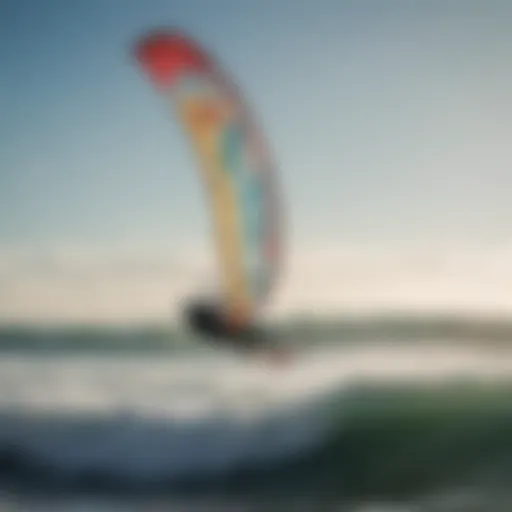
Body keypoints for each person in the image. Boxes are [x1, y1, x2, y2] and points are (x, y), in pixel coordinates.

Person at [184, 301, 292, 364]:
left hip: (230, 333)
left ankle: (280, 355)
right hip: (226, 332)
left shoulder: (242, 333)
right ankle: (280, 355)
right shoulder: (239, 336)